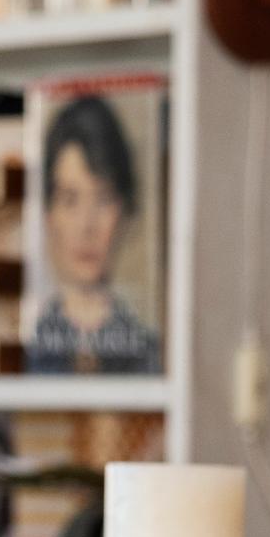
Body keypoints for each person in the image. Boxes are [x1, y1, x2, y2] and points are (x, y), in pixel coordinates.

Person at [26, 91, 162, 376]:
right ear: (48, 214)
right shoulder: (28, 350)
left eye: (103, 199)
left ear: (125, 212)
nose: (86, 226)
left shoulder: (151, 354)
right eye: (69, 199)